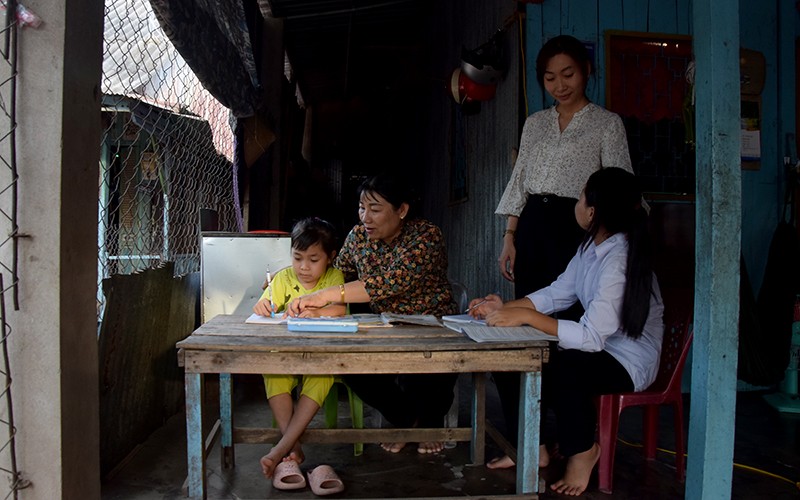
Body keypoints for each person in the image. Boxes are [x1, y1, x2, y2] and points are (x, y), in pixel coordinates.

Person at [470, 167, 664, 496]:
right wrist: (504, 309)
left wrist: (524, 318)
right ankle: (534, 448)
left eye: (582, 194)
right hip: (601, 348)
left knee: (565, 368)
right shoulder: (592, 247)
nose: (576, 201)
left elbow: (590, 338)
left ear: (592, 211)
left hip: (627, 360)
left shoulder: (618, 260)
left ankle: (583, 450)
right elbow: (557, 293)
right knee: (510, 359)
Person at [492, 34, 634, 459]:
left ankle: (570, 439)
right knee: (524, 330)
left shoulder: (607, 123)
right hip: (534, 228)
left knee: (565, 339)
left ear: (587, 71)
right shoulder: (535, 123)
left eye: (568, 73)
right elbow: (520, 182)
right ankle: (530, 444)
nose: (560, 84)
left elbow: (619, 186)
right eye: (550, 77)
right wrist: (510, 237)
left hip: (578, 231)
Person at [287, 172, 458, 454]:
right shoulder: (357, 238)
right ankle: (409, 420)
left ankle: (429, 420)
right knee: (351, 365)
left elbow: (390, 282)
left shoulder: (426, 236)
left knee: (430, 367)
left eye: (375, 209)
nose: (365, 216)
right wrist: (286, 286)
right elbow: (336, 274)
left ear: (401, 210)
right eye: (361, 208)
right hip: (386, 325)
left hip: (432, 323)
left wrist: (323, 296)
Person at [254, 217, 347, 480]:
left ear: (330, 257)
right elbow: (263, 306)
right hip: (286, 353)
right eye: (297, 258)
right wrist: (262, 307)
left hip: (320, 355)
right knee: (273, 372)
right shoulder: (283, 278)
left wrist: (318, 313)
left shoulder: (334, 277)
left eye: (313, 260)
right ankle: (292, 446)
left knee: (321, 376)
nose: (303, 267)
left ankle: (282, 448)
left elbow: (339, 310)